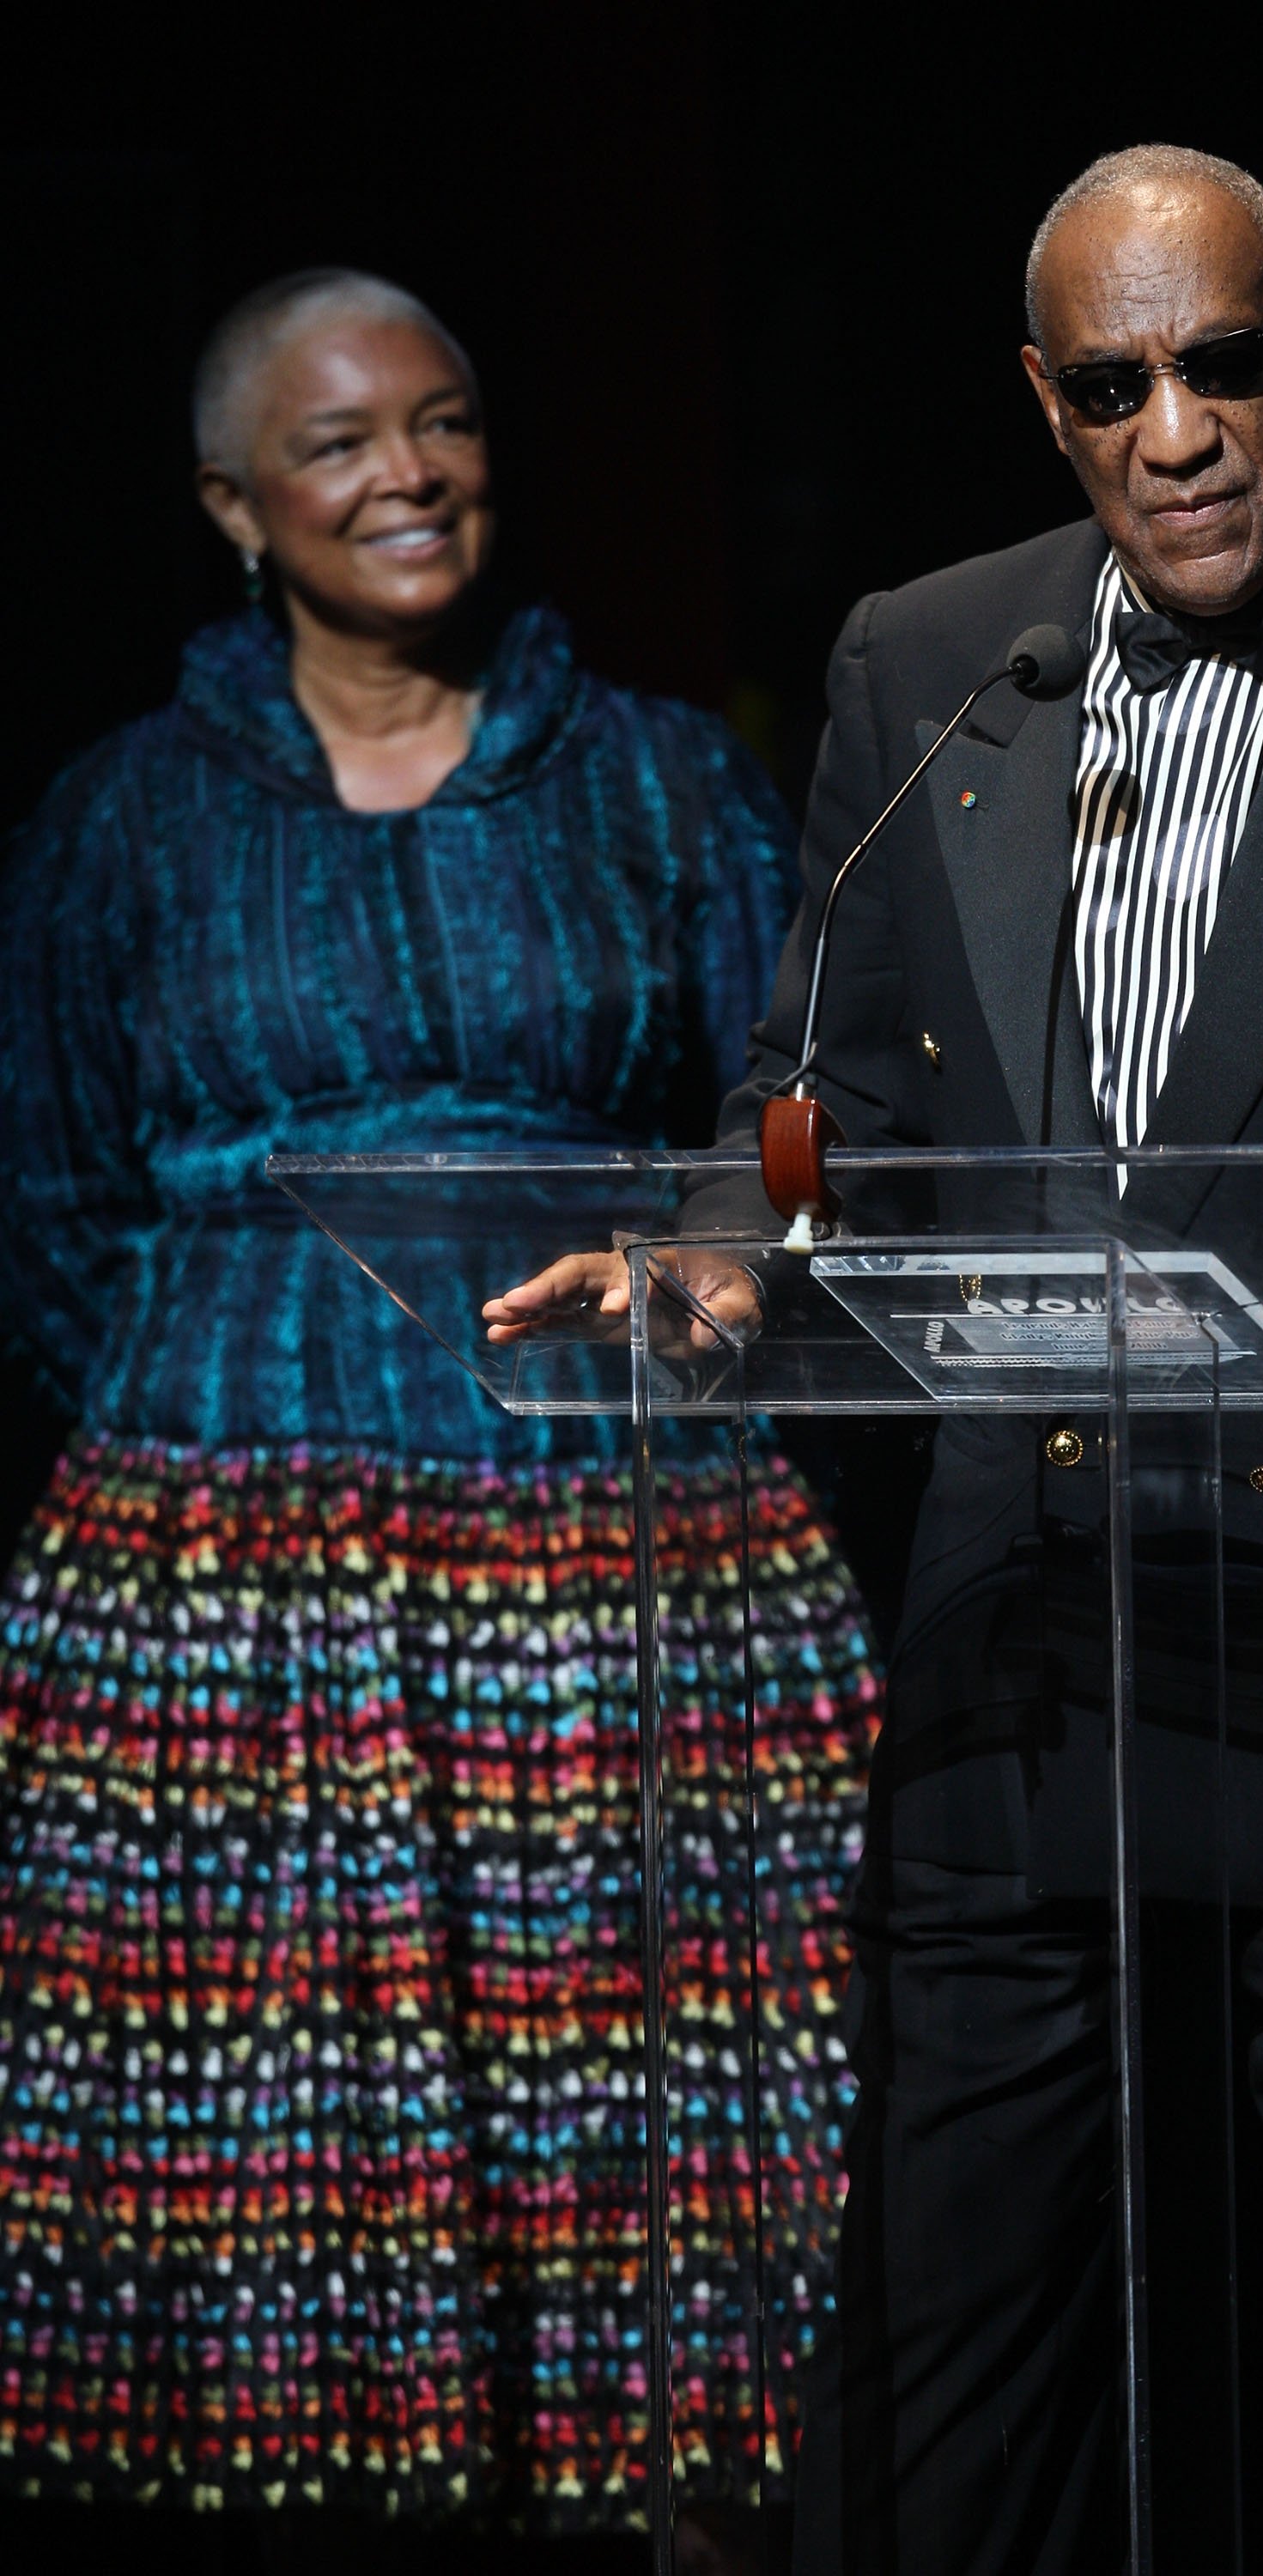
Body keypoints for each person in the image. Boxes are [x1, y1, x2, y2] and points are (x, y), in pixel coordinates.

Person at [493, 146, 1263, 2572]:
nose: (1179, 433)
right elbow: (817, 1083)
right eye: (1116, 385)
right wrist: (733, 1258)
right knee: (951, 2404)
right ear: (1044, 404)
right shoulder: (923, 661)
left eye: (1225, 365)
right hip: (1020, 1645)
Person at [0, 268, 880, 2562]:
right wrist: (200, 1434)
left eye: (449, 419)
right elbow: (54, 1201)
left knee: (645, 2171)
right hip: (228, 1600)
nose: (410, 472)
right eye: (341, 442)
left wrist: (731, 1245)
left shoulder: (664, 777)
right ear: (232, 505)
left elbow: (797, 1098)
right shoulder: (122, 826)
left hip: (620, 1554)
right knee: (273, 2222)